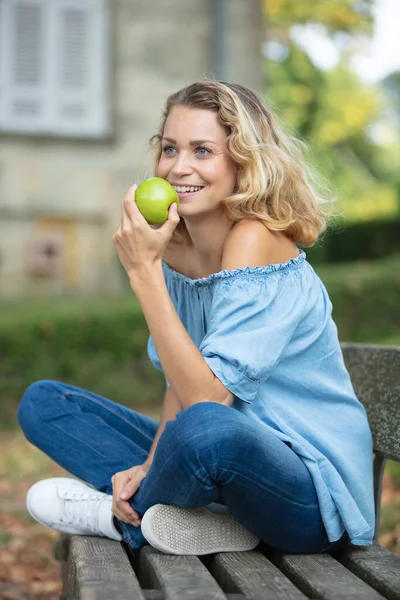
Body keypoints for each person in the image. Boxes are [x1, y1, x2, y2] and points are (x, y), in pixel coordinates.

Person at [18, 80, 374, 556]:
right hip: (223, 455)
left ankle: (116, 517)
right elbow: (178, 386)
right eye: (170, 148)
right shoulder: (177, 248)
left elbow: (208, 400)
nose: (178, 167)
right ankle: (187, 513)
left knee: (205, 429)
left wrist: (142, 274)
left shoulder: (255, 240)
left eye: (202, 150)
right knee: (45, 403)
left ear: (243, 163)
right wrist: (150, 462)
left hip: (309, 496)